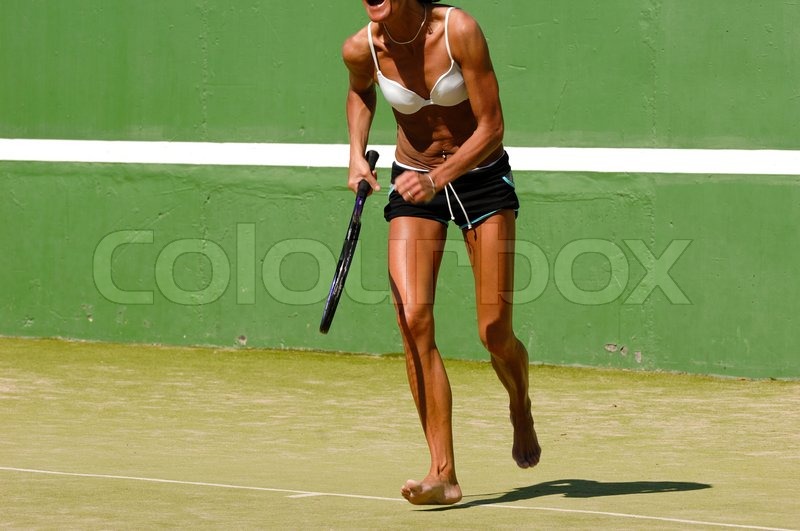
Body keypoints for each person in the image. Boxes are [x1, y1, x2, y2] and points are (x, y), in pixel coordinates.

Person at [342, 0, 541, 505]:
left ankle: (519, 401)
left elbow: (492, 126)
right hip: (411, 181)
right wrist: (355, 155)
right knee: (412, 319)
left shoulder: (459, 30)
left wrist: (438, 179)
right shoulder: (361, 47)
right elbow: (361, 92)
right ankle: (442, 472)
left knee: (494, 331)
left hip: (481, 180)